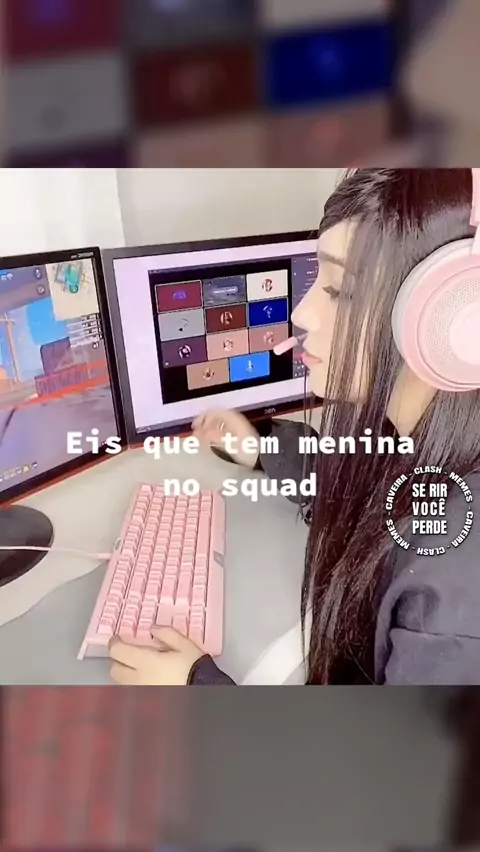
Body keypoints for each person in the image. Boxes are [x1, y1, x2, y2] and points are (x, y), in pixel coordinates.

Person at [108, 168, 480, 686]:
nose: (302, 313)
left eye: (340, 291)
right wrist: (258, 448)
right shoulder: (417, 442)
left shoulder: (458, 575)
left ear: (455, 322)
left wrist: (196, 688)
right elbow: (361, 480)